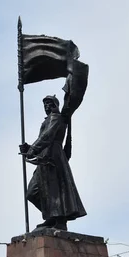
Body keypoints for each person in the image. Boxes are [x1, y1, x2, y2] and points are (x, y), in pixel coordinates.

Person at [20, 95, 87, 231]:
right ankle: (52, 214)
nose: (46, 106)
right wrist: (29, 148)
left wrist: (32, 150)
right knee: (32, 192)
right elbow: (43, 139)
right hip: (44, 157)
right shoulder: (50, 119)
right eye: (44, 104)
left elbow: (48, 136)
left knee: (54, 191)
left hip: (53, 157)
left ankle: (59, 219)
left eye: (49, 103)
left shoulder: (56, 117)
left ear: (55, 105)